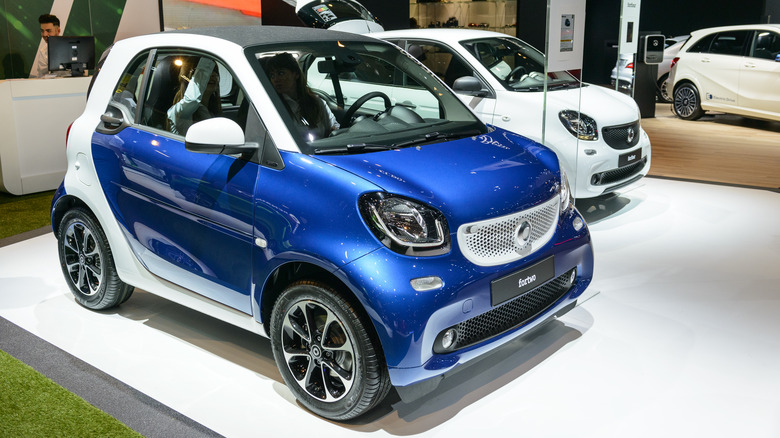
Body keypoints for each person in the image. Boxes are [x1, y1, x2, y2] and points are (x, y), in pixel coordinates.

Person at [265, 52, 339, 141]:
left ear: (296, 74)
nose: (276, 79)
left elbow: (335, 128)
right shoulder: (273, 106)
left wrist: (333, 133)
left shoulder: (316, 102)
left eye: (281, 73)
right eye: (272, 75)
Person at [167, 57, 222, 136]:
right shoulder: (178, 112)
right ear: (189, 79)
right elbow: (193, 99)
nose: (212, 74)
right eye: (206, 72)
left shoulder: (212, 111)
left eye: (215, 71)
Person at [30, 14, 61, 78]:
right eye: (42, 31)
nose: (44, 34)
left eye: (48, 31)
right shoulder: (43, 51)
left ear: (58, 31)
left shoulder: (74, 46)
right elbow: (42, 76)